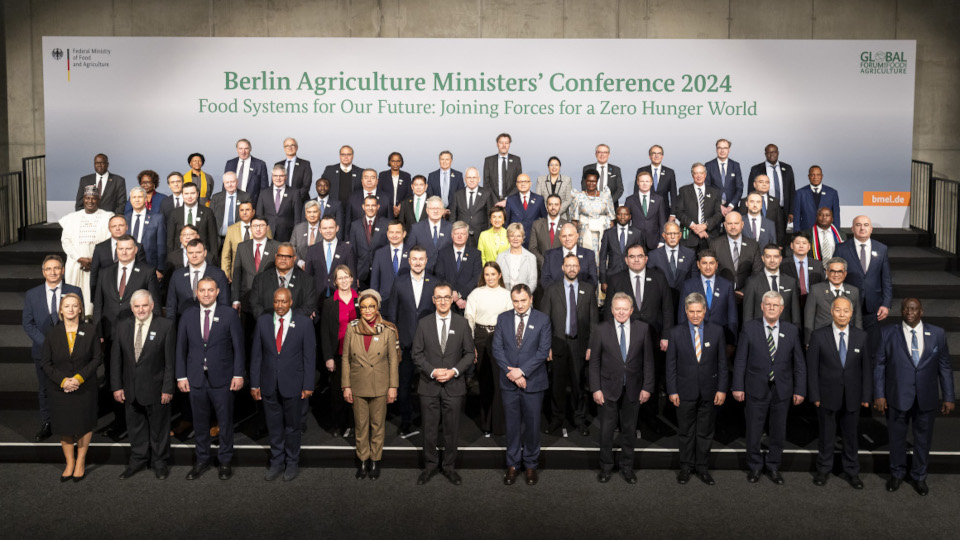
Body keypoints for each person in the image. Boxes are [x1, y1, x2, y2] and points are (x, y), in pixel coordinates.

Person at [874, 298, 955, 495]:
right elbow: (879, 366)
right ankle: (897, 473)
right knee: (896, 439)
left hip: (926, 397)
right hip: (897, 396)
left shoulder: (937, 333)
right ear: (901, 311)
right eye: (906, 308)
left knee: (923, 440)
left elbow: (944, 366)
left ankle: (919, 476)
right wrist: (879, 394)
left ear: (921, 311)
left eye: (914, 308)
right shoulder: (887, 333)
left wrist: (949, 396)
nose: (909, 311)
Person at [733, 291, 806, 485]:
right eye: (768, 305)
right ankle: (755, 466)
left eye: (776, 305)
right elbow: (740, 360)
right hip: (755, 388)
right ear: (762, 307)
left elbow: (799, 363)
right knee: (754, 431)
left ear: (782, 309)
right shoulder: (749, 328)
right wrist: (737, 386)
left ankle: (773, 466)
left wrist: (800, 390)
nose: (772, 308)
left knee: (778, 431)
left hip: (782, 389)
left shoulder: (791, 330)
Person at [176, 276, 245, 480]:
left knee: (224, 422)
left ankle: (225, 461)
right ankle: (202, 460)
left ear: (217, 292)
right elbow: (180, 348)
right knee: (199, 423)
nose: (206, 294)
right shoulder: (187, 315)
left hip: (223, 378)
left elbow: (239, 348)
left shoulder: (229, 314)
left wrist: (238, 374)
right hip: (195, 378)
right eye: (202, 290)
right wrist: (181, 376)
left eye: (210, 290)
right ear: (196, 293)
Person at [412, 282, 475, 485]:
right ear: (433, 300)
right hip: (428, 386)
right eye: (438, 297)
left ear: (452, 299)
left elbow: (469, 354)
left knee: (452, 430)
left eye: (446, 297)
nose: (442, 301)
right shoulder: (423, 323)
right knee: (429, 430)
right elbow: (417, 354)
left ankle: (449, 467)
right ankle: (430, 466)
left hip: (454, 385)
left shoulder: (462, 323)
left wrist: (454, 372)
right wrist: (433, 371)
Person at [251, 288, 316, 481]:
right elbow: (256, 356)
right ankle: (277, 461)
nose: (280, 306)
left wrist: (308, 385)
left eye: (283, 302)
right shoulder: (263, 322)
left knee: (293, 427)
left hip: (294, 385)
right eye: (276, 302)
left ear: (291, 302)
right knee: (274, 426)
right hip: (269, 384)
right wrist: (254, 384)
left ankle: (292, 462)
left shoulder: (304, 323)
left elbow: (309, 358)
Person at [806, 296, 871, 489]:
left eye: (846, 311)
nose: (842, 314)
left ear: (851, 314)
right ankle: (823, 470)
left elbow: (867, 368)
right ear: (831, 312)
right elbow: (812, 369)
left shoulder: (862, 336)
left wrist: (867, 396)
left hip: (853, 396)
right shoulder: (818, 335)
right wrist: (815, 395)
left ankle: (852, 471)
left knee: (851, 437)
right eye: (838, 310)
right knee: (826, 436)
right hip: (826, 396)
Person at [589, 292, 653, 484]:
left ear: (632, 310)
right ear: (611, 309)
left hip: (634, 388)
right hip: (607, 388)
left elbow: (648, 361)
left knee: (629, 430)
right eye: (618, 308)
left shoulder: (643, 329)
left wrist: (647, 387)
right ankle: (606, 467)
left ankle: (627, 467)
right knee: (606, 430)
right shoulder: (601, 329)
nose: (621, 312)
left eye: (625, 309)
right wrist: (596, 388)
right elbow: (594, 363)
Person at [111, 289, 175, 480]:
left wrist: (167, 388)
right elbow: (116, 360)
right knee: (135, 427)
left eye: (144, 305)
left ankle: (159, 462)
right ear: (131, 308)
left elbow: (170, 361)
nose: (141, 310)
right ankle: (138, 460)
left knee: (159, 428)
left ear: (152, 306)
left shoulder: (165, 325)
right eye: (137, 306)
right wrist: (117, 386)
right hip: (130, 388)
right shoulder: (122, 326)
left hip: (157, 389)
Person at [492, 284, 551, 486]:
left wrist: (522, 371)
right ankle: (513, 465)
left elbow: (542, 352)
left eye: (523, 300)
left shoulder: (542, 319)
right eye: (516, 301)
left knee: (533, 427)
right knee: (512, 426)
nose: (519, 305)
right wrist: (512, 374)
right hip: (509, 383)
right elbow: (497, 349)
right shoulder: (503, 318)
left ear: (531, 298)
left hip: (533, 383)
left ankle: (531, 465)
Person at [666, 292, 727, 485]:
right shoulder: (676, 333)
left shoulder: (717, 331)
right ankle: (685, 468)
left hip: (710, 391)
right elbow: (671, 365)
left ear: (704, 310)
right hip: (684, 392)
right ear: (685, 311)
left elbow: (722, 364)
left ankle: (702, 468)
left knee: (705, 432)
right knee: (685, 432)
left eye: (698, 311)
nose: (695, 315)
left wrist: (722, 389)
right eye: (691, 311)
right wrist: (672, 390)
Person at [40, 293, 101, 482]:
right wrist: (63, 381)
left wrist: (78, 378)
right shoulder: (52, 333)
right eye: (67, 306)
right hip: (60, 389)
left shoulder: (90, 330)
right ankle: (70, 462)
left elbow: (97, 358)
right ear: (60, 310)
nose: (71, 309)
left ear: (81, 309)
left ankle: (81, 462)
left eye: (75, 306)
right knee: (64, 426)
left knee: (84, 425)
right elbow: (46, 363)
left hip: (85, 387)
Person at [22, 255, 83, 441]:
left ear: (63, 270)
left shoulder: (74, 290)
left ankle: (73, 423)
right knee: (45, 389)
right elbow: (28, 323)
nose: (53, 272)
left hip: (71, 351)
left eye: (56, 268)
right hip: (43, 351)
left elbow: (80, 319)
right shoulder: (32, 294)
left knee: (72, 387)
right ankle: (48, 422)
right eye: (48, 269)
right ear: (43, 272)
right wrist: (48, 344)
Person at [342, 289, 400, 480]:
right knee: (361, 426)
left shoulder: (388, 330)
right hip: (358, 384)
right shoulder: (352, 328)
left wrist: (393, 387)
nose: (367, 311)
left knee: (377, 425)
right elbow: (345, 359)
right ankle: (363, 460)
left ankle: (375, 460)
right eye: (364, 307)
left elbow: (393, 360)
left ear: (377, 308)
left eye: (371, 307)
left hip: (380, 384)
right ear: (360, 308)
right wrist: (346, 386)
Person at [541, 253, 598, 436]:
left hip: (579, 345)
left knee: (578, 385)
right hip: (557, 343)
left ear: (579, 268)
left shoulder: (589, 290)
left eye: (575, 265)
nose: (572, 268)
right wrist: (546, 345)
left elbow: (594, 322)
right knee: (557, 385)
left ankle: (579, 419)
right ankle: (557, 418)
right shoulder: (552, 289)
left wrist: (591, 346)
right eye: (568, 265)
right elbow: (544, 320)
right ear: (562, 268)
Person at [386, 246, 436, 436]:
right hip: (405, 344)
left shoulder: (435, 283)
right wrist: (394, 341)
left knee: (429, 388)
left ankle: (427, 422)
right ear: (409, 261)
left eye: (421, 259)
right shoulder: (399, 283)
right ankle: (406, 420)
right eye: (414, 259)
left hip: (428, 346)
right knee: (404, 387)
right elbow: (392, 313)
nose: (417, 262)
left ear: (426, 260)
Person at [464, 262, 514, 436]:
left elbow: (511, 321)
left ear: (500, 275)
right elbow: (469, 319)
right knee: (484, 382)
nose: (490, 278)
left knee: (500, 383)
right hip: (480, 337)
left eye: (493, 274)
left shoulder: (507, 295)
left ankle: (499, 424)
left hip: (501, 339)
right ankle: (486, 424)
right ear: (483, 276)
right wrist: (471, 345)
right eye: (487, 274)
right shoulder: (476, 294)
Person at [835, 215, 892, 361]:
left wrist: (886, 304)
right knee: (850, 349)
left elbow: (886, 279)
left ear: (871, 229)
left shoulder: (882, 248)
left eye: (866, 225)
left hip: (874, 307)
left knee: (872, 349)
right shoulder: (841, 248)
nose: (862, 228)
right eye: (858, 225)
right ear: (852, 228)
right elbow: (835, 277)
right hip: (848, 306)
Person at [60, 186, 113, 314]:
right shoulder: (71, 218)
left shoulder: (107, 216)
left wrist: (93, 260)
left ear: (99, 200)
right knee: (73, 298)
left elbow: (109, 240)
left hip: (98, 264)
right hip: (75, 264)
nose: (90, 201)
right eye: (87, 198)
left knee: (94, 299)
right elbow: (66, 241)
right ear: (83, 199)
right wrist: (79, 258)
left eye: (94, 198)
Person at [320, 265, 359, 437]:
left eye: (346, 277)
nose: (343, 280)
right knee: (337, 391)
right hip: (337, 353)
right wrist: (328, 357)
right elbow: (324, 332)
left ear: (352, 279)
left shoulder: (361, 300)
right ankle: (337, 424)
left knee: (356, 390)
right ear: (335, 281)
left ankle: (352, 425)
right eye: (340, 278)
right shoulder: (329, 303)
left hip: (358, 354)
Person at [678, 250, 739, 349]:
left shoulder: (727, 285)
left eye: (711, 263)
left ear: (716, 265)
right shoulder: (688, 285)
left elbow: (732, 316)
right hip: (695, 339)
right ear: (698, 264)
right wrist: (683, 339)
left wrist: (732, 342)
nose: (708, 267)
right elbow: (682, 315)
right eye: (704, 263)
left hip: (721, 340)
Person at [165, 239, 230, 321]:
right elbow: (171, 306)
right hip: (183, 324)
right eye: (190, 253)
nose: (194, 256)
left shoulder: (218, 274)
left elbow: (224, 303)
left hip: (211, 323)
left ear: (205, 253)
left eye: (198, 252)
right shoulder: (177, 275)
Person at [248, 242, 317, 319]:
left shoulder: (307, 280)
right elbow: (254, 305)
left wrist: (287, 320)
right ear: (275, 257)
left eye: (287, 256)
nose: (283, 259)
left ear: (294, 258)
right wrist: (271, 321)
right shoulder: (260, 279)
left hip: (295, 326)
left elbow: (308, 306)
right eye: (280, 256)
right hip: (268, 326)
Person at [804, 257, 862, 346]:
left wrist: (858, 340)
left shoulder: (854, 291)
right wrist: (808, 342)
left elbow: (857, 318)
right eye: (832, 271)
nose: (836, 274)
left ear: (845, 273)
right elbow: (809, 318)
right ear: (827, 272)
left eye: (839, 272)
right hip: (822, 339)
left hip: (847, 339)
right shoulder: (816, 290)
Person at [90, 215, 145, 304]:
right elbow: (94, 274)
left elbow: (142, 272)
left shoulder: (138, 247)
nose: (117, 228)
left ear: (127, 227)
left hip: (131, 295)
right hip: (107, 297)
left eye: (121, 225)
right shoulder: (100, 248)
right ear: (109, 229)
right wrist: (94, 298)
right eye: (114, 226)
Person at [231, 216, 280, 314]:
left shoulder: (277, 246)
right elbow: (237, 275)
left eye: (261, 225)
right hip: (245, 298)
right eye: (255, 226)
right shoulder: (242, 247)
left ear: (267, 228)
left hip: (269, 299)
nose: (258, 229)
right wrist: (235, 299)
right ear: (250, 228)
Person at [743, 244, 801, 325]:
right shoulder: (752, 281)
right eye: (768, 256)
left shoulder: (791, 282)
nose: (772, 260)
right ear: (763, 258)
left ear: (781, 259)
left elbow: (795, 315)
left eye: (776, 257)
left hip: (785, 332)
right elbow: (747, 315)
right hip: (760, 331)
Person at [433, 221, 482, 314]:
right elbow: (440, 276)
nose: (459, 236)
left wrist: (460, 294)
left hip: (468, 301)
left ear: (467, 235)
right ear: (452, 235)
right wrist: (453, 295)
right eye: (456, 234)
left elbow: (476, 278)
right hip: (447, 302)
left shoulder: (475, 254)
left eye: (462, 234)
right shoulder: (443, 253)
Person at [708, 211, 761, 293]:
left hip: (747, 294)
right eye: (729, 223)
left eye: (736, 223)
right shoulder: (715, 245)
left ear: (742, 225)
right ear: (725, 225)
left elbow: (757, 273)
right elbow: (713, 272)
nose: (733, 227)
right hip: (722, 293)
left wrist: (744, 291)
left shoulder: (753, 245)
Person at [305, 215, 356, 299]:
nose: (328, 231)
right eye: (324, 228)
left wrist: (352, 300)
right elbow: (307, 278)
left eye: (331, 228)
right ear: (320, 230)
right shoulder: (312, 249)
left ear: (337, 228)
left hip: (341, 299)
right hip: (317, 299)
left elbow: (352, 277)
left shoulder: (347, 249)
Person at [166, 181, 219, 260]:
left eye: (192, 193)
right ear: (182, 195)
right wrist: (171, 258)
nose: (189, 197)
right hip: (180, 257)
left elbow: (213, 239)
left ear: (197, 194)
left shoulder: (207, 212)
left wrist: (214, 259)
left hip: (202, 256)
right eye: (186, 194)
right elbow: (170, 240)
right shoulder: (175, 213)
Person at [570, 169, 615, 259]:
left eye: (594, 181)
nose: (591, 184)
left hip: (603, 233)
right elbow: (574, 220)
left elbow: (611, 218)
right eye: (589, 181)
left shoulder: (605, 196)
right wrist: (574, 238)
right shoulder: (578, 197)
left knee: (603, 258)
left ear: (597, 181)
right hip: (585, 234)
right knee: (586, 259)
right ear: (585, 181)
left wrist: (611, 237)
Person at [676, 163, 723, 250]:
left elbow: (718, 214)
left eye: (701, 173)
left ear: (705, 175)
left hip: (709, 236)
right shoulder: (684, 191)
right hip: (689, 237)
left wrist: (705, 226)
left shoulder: (715, 192)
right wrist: (695, 227)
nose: (698, 176)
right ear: (692, 175)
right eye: (696, 173)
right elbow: (679, 212)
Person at [748, 144, 795, 229]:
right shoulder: (756, 169)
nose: (771, 154)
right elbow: (751, 191)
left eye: (773, 152)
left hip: (784, 210)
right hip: (764, 209)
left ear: (778, 153)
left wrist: (791, 211)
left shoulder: (787, 168)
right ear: (765, 154)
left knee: (782, 237)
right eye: (768, 152)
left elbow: (792, 191)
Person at [349, 195, 391, 288]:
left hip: (381, 273)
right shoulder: (355, 225)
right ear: (363, 207)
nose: (370, 208)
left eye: (373, 205)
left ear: (378, 207)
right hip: (361, 273)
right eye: (368, 205)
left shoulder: (387, 224)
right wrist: (354, 277)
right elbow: (353, 253)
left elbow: (389, 250)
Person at [221, 202, 271, 280]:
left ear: (253, 212)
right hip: (237, 274)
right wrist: (226, 273)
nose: (244, 213)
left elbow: (270, 249)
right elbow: (225, 255)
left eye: (247, 210)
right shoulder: (231, 229)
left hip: (260, 274)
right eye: (241, 210)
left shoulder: (263, 227)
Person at [541, 223, 599, 290]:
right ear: (559, 238)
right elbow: (545, 280)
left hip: (582, 298)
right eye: (564, 236)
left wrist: (579, 294)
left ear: (577, 236)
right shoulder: (550, 255)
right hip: (556, 298)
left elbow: (593, 280)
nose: (567, 239)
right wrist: (559, 295)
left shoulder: (588, 254)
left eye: (570, 235)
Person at [599, 205, 644, 289]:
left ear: (630, 216)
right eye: (620, 214)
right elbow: (602, 258)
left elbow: (641, 257)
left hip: (632, 276)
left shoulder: (637, 233)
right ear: (616, 216)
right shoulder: (608, 233)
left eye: (625, 214)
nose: (623, 217)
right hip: (612, 276)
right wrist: (603, 280)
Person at [126, 186, 166, 278]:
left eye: (140, 197)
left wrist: (160, 269)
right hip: (128, 265)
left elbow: (161, 245)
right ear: (130, 200)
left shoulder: (157, 218)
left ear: (145, 199)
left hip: (150, 266)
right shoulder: (124, 219)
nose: (137, 200)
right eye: (134, 197)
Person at [647, 222, 696, 295]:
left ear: (680, 235)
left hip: (684, 298)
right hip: (661, 298)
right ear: (664, 235)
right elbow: (650, 282)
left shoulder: (690, 254)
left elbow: (694, 280)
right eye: (669, 234)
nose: (672, 237)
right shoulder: (653, 255)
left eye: (675, 233)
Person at [450, 167, 495, 247]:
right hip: (461, 236)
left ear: (479, 179)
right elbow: (453, 216)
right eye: (469, 177)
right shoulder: (457, 194)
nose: (471, 180)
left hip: (481, 235)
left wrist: (489, 234)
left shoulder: (486, 193)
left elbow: (490, 216)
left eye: (474, 177)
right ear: (465, 179)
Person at [406, 196, 451, 275]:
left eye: (439, 208)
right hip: (422, 273)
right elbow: (410, 251)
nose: (436, 211)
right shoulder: (416, 228)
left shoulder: (450, 228)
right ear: (427, 210)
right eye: (433, 208)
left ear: (443, 210)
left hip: (445, 273)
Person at [779, 233, 825, 312]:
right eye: (797, 243)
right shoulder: (782, 264)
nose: (801, 246)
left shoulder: (818, 265)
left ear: (809, 246)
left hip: (812, 304)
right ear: (792, 246)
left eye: (804, 243)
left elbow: (822, 286)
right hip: (790, 304)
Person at [256, 165, 302, 243]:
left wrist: (296, 236)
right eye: (275, 176)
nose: (278, 178)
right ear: (272, 177)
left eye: (281, 176)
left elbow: (297, 218)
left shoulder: (294, 193)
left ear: (286, 177)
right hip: (267, 234)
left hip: (287, 236)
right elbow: (259, 215)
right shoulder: (264, 193)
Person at [623, 171, 665, 252]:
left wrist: (662, 241)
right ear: (638, 183)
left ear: (651, 183)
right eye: (642, 181)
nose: (644, 184)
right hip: (635, 241)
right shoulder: (630, 200)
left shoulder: (659, 199)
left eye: (647, 181)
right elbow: (626, 222)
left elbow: (662, 221)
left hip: (654, 242)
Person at [738, 174, 785, 247]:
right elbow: (741, 223)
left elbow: (779, 225)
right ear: (754, 184)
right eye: (761, 182)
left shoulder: (775, 201)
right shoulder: (744, 201)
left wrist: (779, 244)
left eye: (767, 182)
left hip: (768, 244)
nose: (764, 184)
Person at [793, 165, 841, 233]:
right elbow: (797, 216)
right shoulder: (800, 193)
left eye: (818, 175)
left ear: (822, 176)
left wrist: (836, 233)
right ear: (808, 176)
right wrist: (797, 234)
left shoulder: (832, 193)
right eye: (813, 175)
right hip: (806, 233)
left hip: (826, 232)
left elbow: (836, 216)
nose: (815, 177)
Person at [224, 138, 269, 209]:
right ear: (237, 149)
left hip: (252, 205)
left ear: (250, 149)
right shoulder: (230, 163)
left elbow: (264, 189)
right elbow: (225, 185)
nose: (243, 151)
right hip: (232, 204)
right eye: (240, 148)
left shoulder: (260, 164)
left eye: (246, 148)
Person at [503, 174, 546, 247]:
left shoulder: (539, 199)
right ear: (516, 184)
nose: (522, 184)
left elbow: (544, 220)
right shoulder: (511, 200)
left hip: (533, 240)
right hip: (515, 240)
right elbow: (506, 222)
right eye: (520, 182)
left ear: (530, 183)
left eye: (525, 181)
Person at [370, 220, 408, 302]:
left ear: (404, 234)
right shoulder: (379, 253)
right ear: (387, 234)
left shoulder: (411, 252)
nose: (394, 235)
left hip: (407, 301)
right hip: (384, 301)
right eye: (391, 232)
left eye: (397, 232)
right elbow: (374, 281)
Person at [345, 168, 391, 235]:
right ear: (362, 180)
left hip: (381, 239)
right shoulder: (352, 197)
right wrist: (347, 240)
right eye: (366, 177)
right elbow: (348, 221)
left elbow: (390, 221)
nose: (369, 180)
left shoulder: (386, 197)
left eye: (372, 177)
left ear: (377, 181)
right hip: (357, 238)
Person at [636, 144, 678, 218]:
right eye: (653, 153)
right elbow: (636, 192)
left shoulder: (670, 172)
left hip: (664, 212)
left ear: (662, 156)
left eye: (659, 153)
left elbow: (673, 195)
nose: (656, 156)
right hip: (645, 212)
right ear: (650, 156)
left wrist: (673, 214)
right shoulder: (641, 170)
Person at [496, 223, 538, 293]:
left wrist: (522, 296)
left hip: (524, 300)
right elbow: (497, 280)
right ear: (508, 238)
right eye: (512, 236)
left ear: (522, 238)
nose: (515, 239)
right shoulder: (500, 257)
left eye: (518, 236)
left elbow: (533, 282)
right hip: (504, 299)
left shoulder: (531, 257)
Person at [528, 194, 569, 266]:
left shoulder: (567, 225)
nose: (553, 207)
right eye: (550, 204)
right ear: (546, 206)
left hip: (561, 268)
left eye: (556, 204)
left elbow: (570, 248)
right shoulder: (536, 225)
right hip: (542, 269)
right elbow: (532, 248)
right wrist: (544, 261)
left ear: (560, 206)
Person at [704, 138, 742, 215]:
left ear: (729, 150)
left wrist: (731, 206)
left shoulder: (735, 165)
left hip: (732, 209)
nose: (722, 150)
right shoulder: (709, 165)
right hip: (714, 209)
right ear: (716, 149)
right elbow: (706, 188)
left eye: (725, 148)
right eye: (719, 148)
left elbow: (739, 188)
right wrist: (719, 206)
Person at [210, 172, 252, 240]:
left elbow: (248, 217)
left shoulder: (245, 197)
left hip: (238, 238)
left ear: (237, 182)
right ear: (224, 184)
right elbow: (210, 218)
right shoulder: (216, 197)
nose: (230, 185)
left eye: (232, 182)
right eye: (227, 182)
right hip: (218, 238)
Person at [483, 132, 522, 202]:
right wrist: (496, 201)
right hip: (493, 201)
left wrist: (507, 200)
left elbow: (518, 183)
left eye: (506, 143)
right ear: (497, 144)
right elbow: (486, 184)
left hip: (511, 201)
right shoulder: (489, 161)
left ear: (509, 144)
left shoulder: (516, 160)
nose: (504, 145)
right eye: (501, 142)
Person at [291, 199, 322, 270]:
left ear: (320, 213)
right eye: (309, 212)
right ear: (305, 214)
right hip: (299, 269)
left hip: (320, 268)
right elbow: (291, 248)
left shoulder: (325, 228)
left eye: (315, 212)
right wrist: (300, 263)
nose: (312, 215)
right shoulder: (298, 228)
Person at [378, 151, 411, 217]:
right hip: (386, 210)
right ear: (389, 162)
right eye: (393, 161)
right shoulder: (382, 175)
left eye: (398, 161)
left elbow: (409, 194)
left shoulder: (406, 176)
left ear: (401, 162)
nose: (395, 163)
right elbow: (380, 193)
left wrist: (400, 206)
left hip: (402, 211)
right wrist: (391, 207)